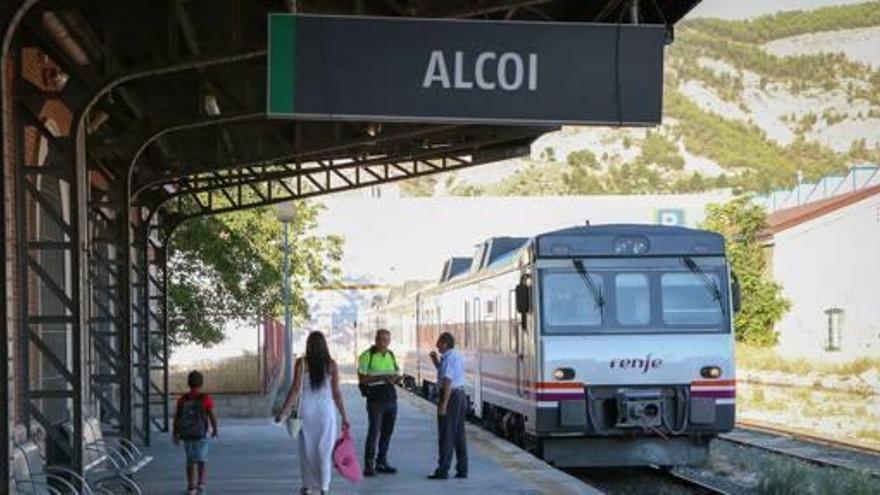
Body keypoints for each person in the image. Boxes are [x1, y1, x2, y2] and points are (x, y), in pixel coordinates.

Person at [276, 331, 350, 495]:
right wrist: (344, 417)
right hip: (326, 412)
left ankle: (308, 486)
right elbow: (336, 393)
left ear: (308, 345)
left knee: (307, 450)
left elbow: (295, 390)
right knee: (325, 450)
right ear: (325, 345)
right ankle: (324, 487)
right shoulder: (331, 364)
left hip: (306, 411)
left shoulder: (301, 363)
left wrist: (283, 414)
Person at [357, 329, 400, 477]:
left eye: (386, 340)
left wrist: (395, 378)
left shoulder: (391, 355)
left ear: (389, 342)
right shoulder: (366, 356)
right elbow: (362, 379)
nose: (383, 343)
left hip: (391, 399)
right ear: (375, 340)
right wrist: (382, 377)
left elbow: (396, 373)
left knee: (387, 432)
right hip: (375, 401)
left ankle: (382, 462)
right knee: (374, 432)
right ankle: (369, 465)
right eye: (380, 340)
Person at [427, 332, 468, 480]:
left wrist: (443, 404)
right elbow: (446, 374)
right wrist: (436, 362)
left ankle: (443, 470)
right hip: (460, 395)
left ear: (445, 343)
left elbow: (448, 381)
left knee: (446, 433)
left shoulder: (450, 358)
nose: (437, 345)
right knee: (458, 434)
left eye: (439, 342)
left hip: (451, 397)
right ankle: (462, 469)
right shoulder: (454, 356)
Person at [173, 370, 219, 495]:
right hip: (201, 435)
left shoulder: (182, 399)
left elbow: (177, 417)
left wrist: (175, 434)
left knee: (190, 460)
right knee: (202, 459)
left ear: (188, 383)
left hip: (187, 436)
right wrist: (215, 430)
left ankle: (190, 486)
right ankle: (201, 484)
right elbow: (212, 415)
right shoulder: (205, 398)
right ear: (201, 383)